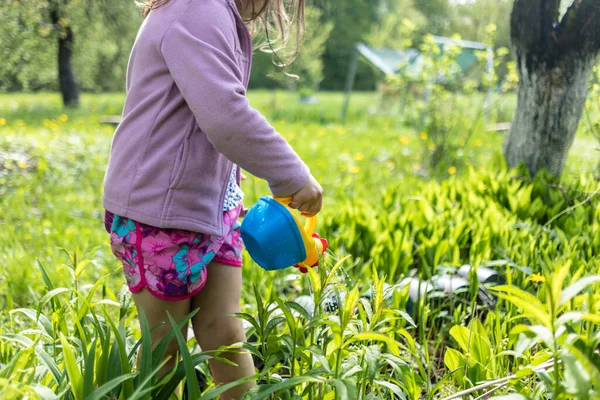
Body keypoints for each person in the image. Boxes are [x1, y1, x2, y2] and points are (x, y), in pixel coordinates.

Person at [102, 0, 322, 398]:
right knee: (164, 348)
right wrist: (291, 174)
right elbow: (225, 116)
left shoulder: (211, 10)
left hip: (211, 208)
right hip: (159, 213)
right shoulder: (195, 9)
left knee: (225, 331)